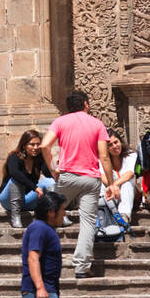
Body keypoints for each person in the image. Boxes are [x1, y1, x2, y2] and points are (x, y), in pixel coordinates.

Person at [40, 90, 117, 279]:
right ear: (86, 104)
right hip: (90, 179)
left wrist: (52, 168)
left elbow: (44, 145)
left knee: (49, 215)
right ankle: (81, 267)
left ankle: (40, 257)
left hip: (67, 176)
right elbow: (104, 156)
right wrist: (111, 184)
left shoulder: (60, 122)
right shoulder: (97, 124)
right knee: (88, 222)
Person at [0, 129, 56, 228]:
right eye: (32, 144)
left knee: (49, 181)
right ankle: (15, 217)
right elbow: (14, 173)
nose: (36, 147)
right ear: (24, 145)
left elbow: (48, 175)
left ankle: (57, 212)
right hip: (9, 201)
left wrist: (47, 156)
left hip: (26, 201)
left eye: (38, 144)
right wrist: (35, 188)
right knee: (15, 180)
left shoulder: (38, 158)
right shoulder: (14, 157)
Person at [103, 129, 139, 228]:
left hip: (131, 193)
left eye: (116, 142)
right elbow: (101, 176)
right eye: (110, 145)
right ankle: (103, 213)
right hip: (112, 195)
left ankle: (123, 216)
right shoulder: (103, 159)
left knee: (127, 183)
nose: (114, 146)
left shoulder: (131, 154)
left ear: (120, 141)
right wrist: (112, 187)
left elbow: (130, 174)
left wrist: (114, 185)